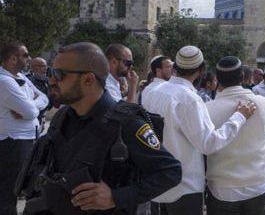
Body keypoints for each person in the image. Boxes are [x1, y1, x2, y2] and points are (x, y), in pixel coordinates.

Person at [16, 42, 182, 215]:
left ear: (88, 79)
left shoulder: (126, 123)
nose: (51, 80)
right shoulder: (63, 116)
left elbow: (170, 171)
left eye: (59, 74)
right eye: (51, 72)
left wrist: (116, 197)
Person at [142, 45, 256, 215]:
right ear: (201, 70)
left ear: (175, 67)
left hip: (156, 184)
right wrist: (239, 117)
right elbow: (209, 143)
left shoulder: (151, 91)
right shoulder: (189, 99)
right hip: (183, 187)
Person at [205, 56, 265, 215]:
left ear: (218, 80)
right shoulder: (261, 102)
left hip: (222, 187)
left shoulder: (208, 109)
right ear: (242, 77)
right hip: (256, 184)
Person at [0, 43, 48, 215]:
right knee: (9, 192)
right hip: (13, 143)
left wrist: (30, 106)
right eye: (25, 55)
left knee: (24, 188)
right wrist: (31, 108)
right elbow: (30, 111)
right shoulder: (4, 81)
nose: (29, 58)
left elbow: (44, 97)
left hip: (25, 141)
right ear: (13, 58)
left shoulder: (20, 76)